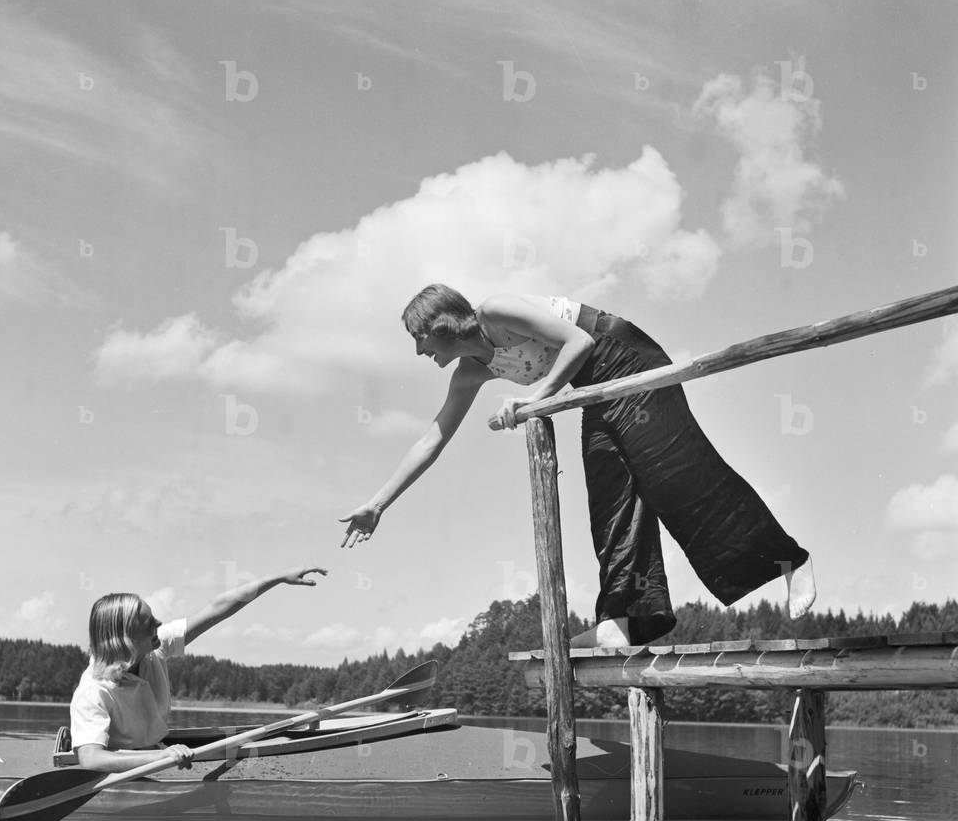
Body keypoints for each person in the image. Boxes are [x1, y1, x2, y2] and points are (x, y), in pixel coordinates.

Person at [340, 285, 815, 647]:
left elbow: (579, 341)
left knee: (675, 476)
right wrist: (377, 504)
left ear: (439, 324)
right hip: (587, 385)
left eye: (419, 338)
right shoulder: (472, 372)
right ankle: (625, 619)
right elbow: (433, 438)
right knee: (610, 496)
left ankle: (788, 559)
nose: (420, 352)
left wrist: (535, 399)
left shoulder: (496, 312)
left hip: (625, 357)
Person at [70, 567, 327, 771]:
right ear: (125, 638)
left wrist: (278, 578)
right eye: (149, 622)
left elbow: (218, 608)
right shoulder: (93, 690)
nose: (158, 623)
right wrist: (161, 756)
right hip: (117, 773)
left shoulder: (155, 646)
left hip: (154, 754)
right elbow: (91, 759)